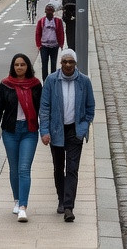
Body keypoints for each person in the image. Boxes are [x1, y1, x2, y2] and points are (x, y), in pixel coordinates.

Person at [39, 48, 95, 222]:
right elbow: (45, 107)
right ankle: (61, 199)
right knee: (58, 167)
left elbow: (90, 108)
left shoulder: (84, 81)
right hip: (56, 130)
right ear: (60, 63)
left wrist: (84, 127)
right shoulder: (51, 80)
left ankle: (69, 206)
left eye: (71, 62)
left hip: (74, 131)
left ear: (75, 63)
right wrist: (45, 131)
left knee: (72, 169)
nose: (68, 65)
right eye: (65, 62)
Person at [0, 53, 43, 223]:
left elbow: (42, 108)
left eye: (22, 64)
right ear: (12, 67)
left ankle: (23, 206)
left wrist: (45, 130)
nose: (19, 67)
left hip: (29, 131)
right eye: (16, 65)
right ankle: (16, 200)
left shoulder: (36, 85)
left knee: (24, 168)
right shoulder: (6, 85)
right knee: (14, 169)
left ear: (28, 66)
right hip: (10, 131)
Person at [35, 3, 65, 78]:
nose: (49, 13)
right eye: (48, 11)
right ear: (45, 12)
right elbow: (38, 33)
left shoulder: (58, 21)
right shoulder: (41, 21)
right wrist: (38, 45)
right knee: (44, 64)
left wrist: (61, 44)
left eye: (51, 11)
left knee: (53, 63)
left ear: (53, 12)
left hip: (54, 46)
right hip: (44, 46)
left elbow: (61, 32)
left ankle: (53, 79)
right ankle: (45, 80)